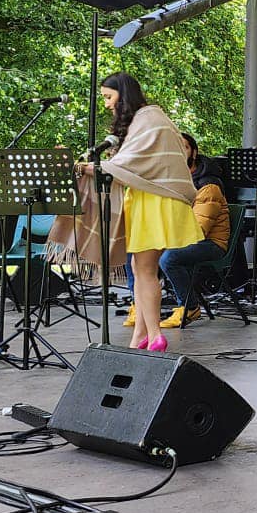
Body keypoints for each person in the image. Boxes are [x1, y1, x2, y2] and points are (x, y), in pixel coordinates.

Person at [78, 73, 200, 353]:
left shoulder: (148, 119)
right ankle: (140, 336)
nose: (107, 104)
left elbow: (127, 166)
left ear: (123, 94)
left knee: (144, 271)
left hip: (154, 202)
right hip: (152, 200)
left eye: (109, 97)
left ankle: (155, 335)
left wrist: (84, 168)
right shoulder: (150, 119)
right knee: (139, 268)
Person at [157, 132, 229, 329]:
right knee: (139, 252)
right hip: (187, 239)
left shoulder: (208, 185)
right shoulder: (176, 182)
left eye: (185, 147)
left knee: (169, 258)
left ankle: (189, 307)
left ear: (194, 153)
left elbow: (199, 229)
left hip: (211, 244)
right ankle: (141, 305)